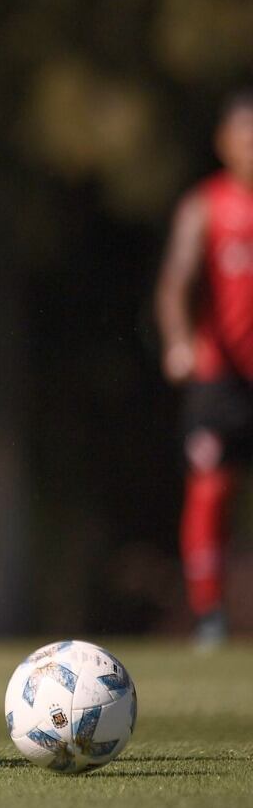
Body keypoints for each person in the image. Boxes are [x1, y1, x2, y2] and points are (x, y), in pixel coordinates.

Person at [155, 89, 253, 652]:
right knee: (211, 489)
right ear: (224, 143)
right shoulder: (206, 206)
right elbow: (175, 282)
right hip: (220, 378)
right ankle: (209, 613)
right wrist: (178, 341)